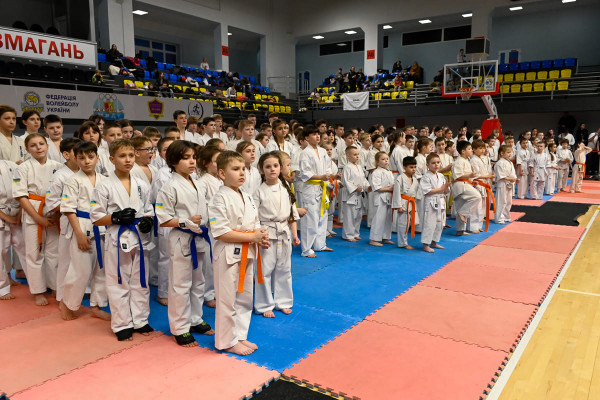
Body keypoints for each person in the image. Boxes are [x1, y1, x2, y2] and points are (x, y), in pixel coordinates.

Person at [91, 139, 155, 341]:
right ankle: (122, 324)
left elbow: (148, 209)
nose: (128, 160)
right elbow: (96, 217)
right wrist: (115, 218)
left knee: (140, 281)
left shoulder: (142, 184)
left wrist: (148, 221)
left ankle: (140, 320)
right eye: (122, 156)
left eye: (130, 155)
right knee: (118, 282)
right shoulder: (104, 186)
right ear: (112, 159)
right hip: (117, 238)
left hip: (140, 237)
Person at [208, 151, 270, 355]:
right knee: (227, 300)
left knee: (244, 298)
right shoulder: (218, 198)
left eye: (243, 169)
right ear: (222, 174)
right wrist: (252, 237)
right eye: (235, 169)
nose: (242, 173)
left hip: (248, 250)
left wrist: (261, 236)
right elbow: (220, 232)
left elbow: (255, 222)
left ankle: (240, 335)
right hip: (228, 253)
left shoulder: (247, 196)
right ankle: (226, 341)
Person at [155, 140, 215, 347]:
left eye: (193, 157)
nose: (192, 162)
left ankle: (195, 319)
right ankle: (180, 327)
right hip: (182, 238)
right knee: (180, 285)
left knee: (199, 282)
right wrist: (185, 221)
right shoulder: (169, 186)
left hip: (199, 238)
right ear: (173, 161)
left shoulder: (197, 182)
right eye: (186, 158)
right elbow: (163, 218)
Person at [59, 141, 110, 320]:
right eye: (81, 158)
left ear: (97, 158)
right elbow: (68, 209)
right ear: (75, 159)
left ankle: (97, 305)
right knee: (80, 271)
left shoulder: (105, 180)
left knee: (102, 270)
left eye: (90, 157)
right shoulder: (73, 180)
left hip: (103, 227)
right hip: (82, 226)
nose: (87, 161)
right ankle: (67, 303)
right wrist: (79, 234)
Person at [13, 133, 63, 305]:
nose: (38, 148)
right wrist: (38, 218)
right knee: (34, 254)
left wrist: (56, 214)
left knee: (54, 253)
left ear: (47, 146)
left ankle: (55, 285)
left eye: (41, 144)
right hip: (33, 212)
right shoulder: (23, 168)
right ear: (27, 149)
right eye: (33, 145)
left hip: (53, 211)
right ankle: (38, 291)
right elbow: (21, 196)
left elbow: (63, 193)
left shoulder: (58, 166)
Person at [253, 152, 300, 318]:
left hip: (284, 232)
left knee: (284, 269)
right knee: (264, 270)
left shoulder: (285, 189)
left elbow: (292, 214)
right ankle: (264, 304)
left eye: (275, 166)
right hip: (267, 233)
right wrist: (259, 236)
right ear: (261, 170)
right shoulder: (258, 192)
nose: (272, 169)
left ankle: (283, 302)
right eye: (268, 166)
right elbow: (254, 217)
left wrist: (295, 234)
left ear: (280, 168)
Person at [46, 138, 81, 303]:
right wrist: (76, 206)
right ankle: (61, 296)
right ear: (66, 155)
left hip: (88, 221)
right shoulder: (59, 176)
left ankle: (80, 293)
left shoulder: (86, 173)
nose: (82, 156)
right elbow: (52, 203)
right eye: (77, 152)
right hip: (68, 221)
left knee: (83, 261)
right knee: (65, 261)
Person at [298, 125, 333, 257]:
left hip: (321, 187)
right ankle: (306, 249)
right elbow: (305, 173)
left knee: (322, 217)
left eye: (318, 134)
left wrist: (332, 176)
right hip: (310, 188)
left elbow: (328, 168)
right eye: (314, 134)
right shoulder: (305, 153)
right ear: (307, 138)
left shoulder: (323, 151)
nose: (317, 136)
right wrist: (321, 177)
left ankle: (320, 245)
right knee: (310, 220)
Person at [197, 145, 223, 308]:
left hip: (222, 226)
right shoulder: (202, 182)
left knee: (220, 261)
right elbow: (201, 206)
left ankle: (218, 290)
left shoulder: (221, 179)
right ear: (206, 163)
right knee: (209, 263)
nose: (219, 164)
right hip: (210, 228)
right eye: (215, 161)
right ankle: (208, 294)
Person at [150, 137, 175, 306]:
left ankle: (177, 289)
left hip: (184, 220)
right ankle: (163, 293)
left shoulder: (188, 172)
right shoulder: (162, 174)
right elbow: (157, 198)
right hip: (167, 218)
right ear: (161, 154)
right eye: (167, 149)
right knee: (166, 257)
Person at [0, 157, 26, 299]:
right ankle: (2, 288)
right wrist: (8, 218)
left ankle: (38, 283)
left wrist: (18, 214)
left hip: (16, 211)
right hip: (1, 213)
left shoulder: (11, 165)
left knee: (25, 247)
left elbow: (23, 189)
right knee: (1, 251)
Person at [420, 154, 450, 253]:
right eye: (433, 163)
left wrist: (446, 188)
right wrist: (441, 189)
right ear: (427, 165)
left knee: (439, 223)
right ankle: (425, 244)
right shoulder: (426, 177)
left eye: (438, 162)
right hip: (431, 202)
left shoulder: (441, 176)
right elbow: (427, 191)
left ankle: (434, 242)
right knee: (429, 223)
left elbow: (445, 190)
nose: (436, 165)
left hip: (440, 200)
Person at [451, 141, 481, 236]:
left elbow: (466, 176)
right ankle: (463, 213)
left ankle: (460, 230)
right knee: (477, 197)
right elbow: (458, 175)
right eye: (469, 149)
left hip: (464, 184)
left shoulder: (466, 160)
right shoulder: (458, 161)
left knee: (461, 205)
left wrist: (472, 181)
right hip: (460, 185)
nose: (471, 150)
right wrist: (470, 175)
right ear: (463, 151)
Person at [341, 146, 369, 242]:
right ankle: (348, 235)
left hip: (359, 195)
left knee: (358, 215)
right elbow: (345, 181)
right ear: (348, 156)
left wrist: (367, 186)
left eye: (358, 154)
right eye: (355, 154)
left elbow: (363, 179)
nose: (357, 156)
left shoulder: (359, 167)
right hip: (350, 196)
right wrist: (355, 188)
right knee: (350, 216)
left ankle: (355, 233)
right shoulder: (347, 167)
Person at [369, 152, 394, 247]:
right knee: (378, 218)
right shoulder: (376, 172)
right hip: (380, 198)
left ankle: (385, 237)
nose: (386, 161)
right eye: (383, 159)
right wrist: (390, 188)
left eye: (387, 159)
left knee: (387, 219)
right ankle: (374, 239)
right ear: (377, 162)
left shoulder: (389, 172)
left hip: (389, 197)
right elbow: (376, 187)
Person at [392, 157, 419, 249]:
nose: (413, 169)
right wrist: (398, 206)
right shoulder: (400, 178)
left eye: (415, 167)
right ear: (404, 167)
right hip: (403, 203)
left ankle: (404, 241)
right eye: (411, 167)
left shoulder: (414, 179)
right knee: (403, 224)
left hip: (411, 202)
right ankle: (402, 243)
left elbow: (416, 192)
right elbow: (396, 192)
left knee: (409, 223)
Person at [469, 140, 494, 233]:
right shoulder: (473, 160)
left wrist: (489, 176)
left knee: (482, 207)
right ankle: (472, 227)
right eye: (480, 148)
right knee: (476, 207)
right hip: (477, 184)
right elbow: (476, 175)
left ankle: (479, 225)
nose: (483, 150)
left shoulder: (482, 158)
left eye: (483, 148)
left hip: (484, 184)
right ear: (474, 149)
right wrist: (487, 176)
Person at [494, 145, 518, 224]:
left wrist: (515, 179)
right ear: (501, 153)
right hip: (502, 184)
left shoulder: (510, 162)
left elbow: (512, 174)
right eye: (508, 152)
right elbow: (501, 176)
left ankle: (506, 216)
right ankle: (499, 218)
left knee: (508, 201)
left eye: (510, 152)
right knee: (502, 201)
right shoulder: (499, 163)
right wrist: (511, 179)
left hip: (510, 183)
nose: (510, 154)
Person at [414, 138, 433, 232]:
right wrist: (427, 179)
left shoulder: (425, 158)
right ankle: (419, 227)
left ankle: (424, 226)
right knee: (420, 207)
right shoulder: (418, 159)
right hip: (420, 185)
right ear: (424, 148)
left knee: (425, 206)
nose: (432, 148)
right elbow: (417, 175)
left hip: (425, 184)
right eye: (430, 146)